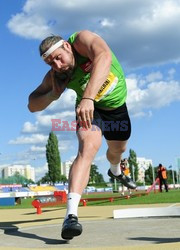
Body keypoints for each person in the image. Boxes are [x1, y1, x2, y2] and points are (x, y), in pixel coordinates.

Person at [28, 30, 136, 240]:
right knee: (86, 150)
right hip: (90, 111)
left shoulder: (81, 41)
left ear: (67, 47)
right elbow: (32, 104)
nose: (57, 66)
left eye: (58, 58)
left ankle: (115, 170)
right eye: (51, 64)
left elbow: (104, 56)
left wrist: (88, 97)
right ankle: (71, 216)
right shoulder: (59, 73)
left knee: (117, 151)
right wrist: (52, 95)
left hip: (115, 109)